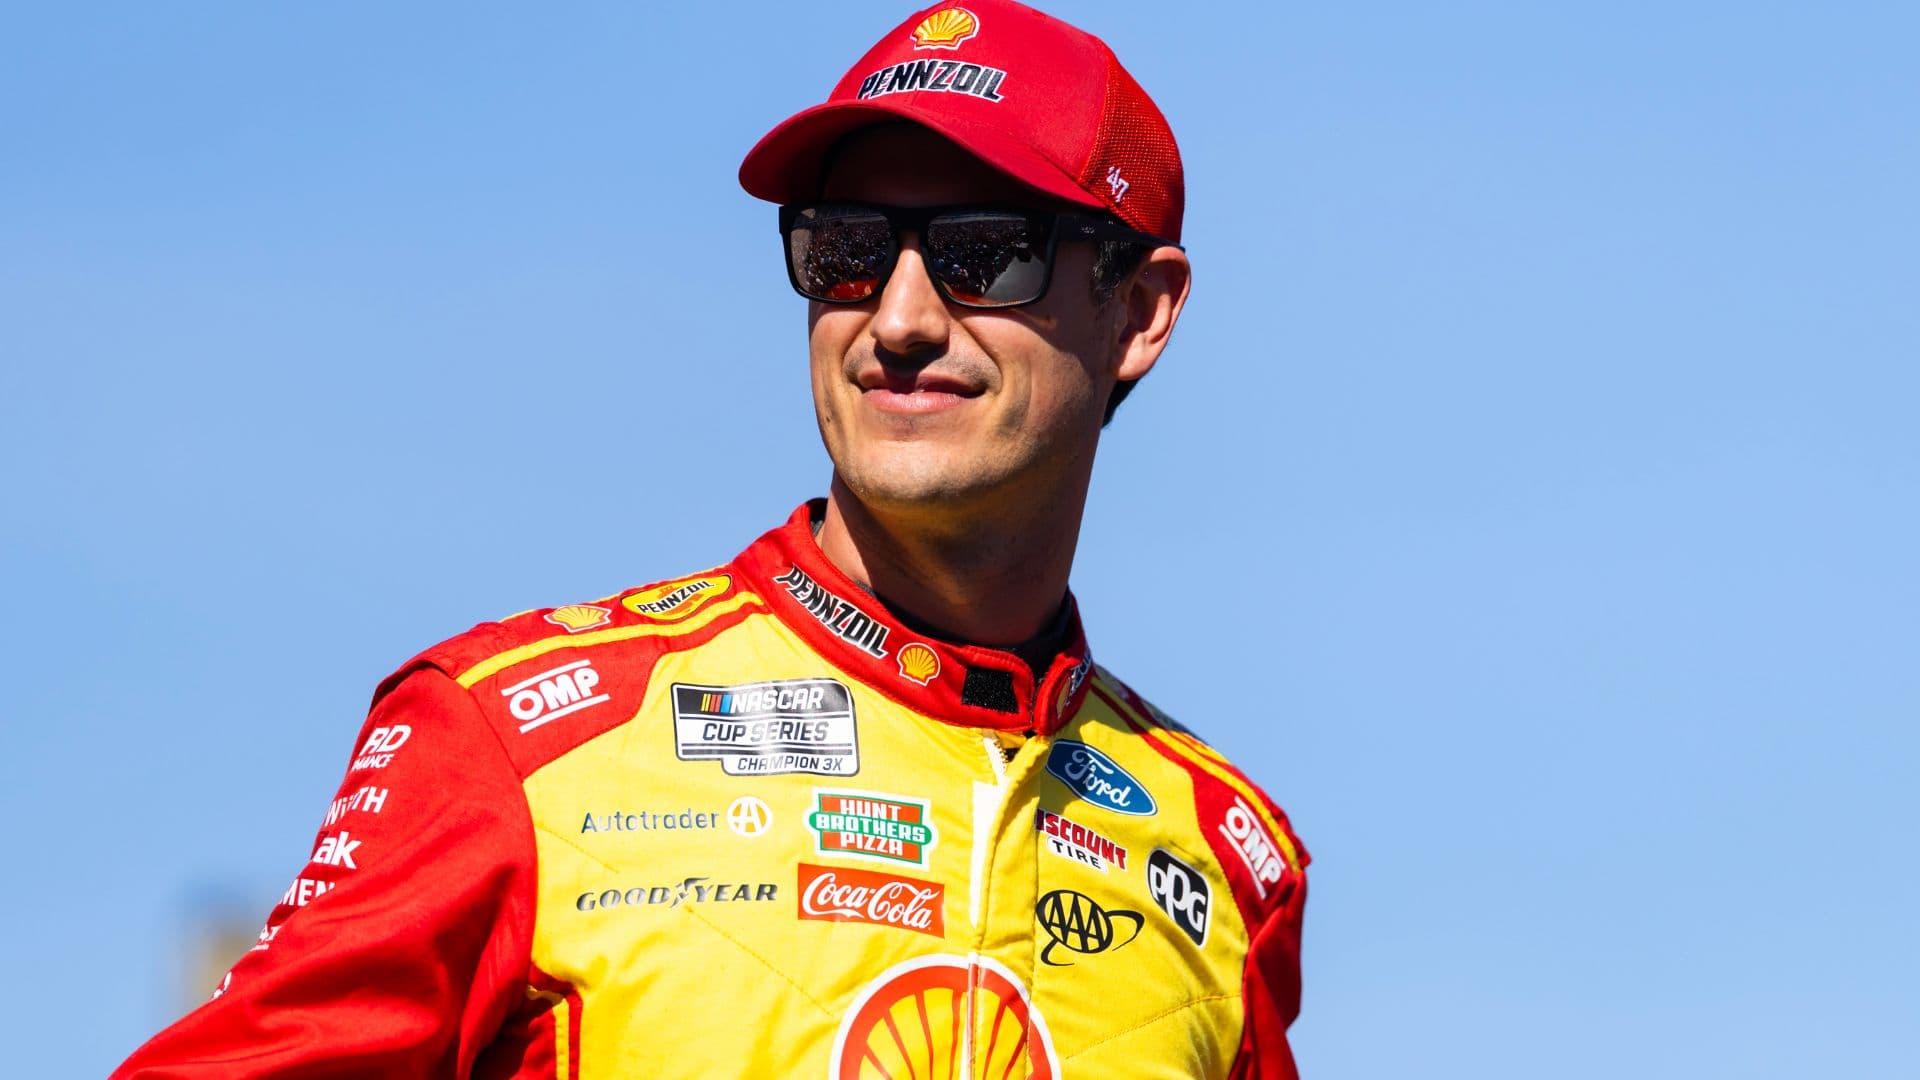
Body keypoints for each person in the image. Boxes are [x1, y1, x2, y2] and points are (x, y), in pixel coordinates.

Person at [113, 1, 1309, 1076]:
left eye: (981, 252)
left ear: (1140, 313)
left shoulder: (1222, 854)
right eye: (844, 250)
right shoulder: (515, 740)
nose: (896, 320)